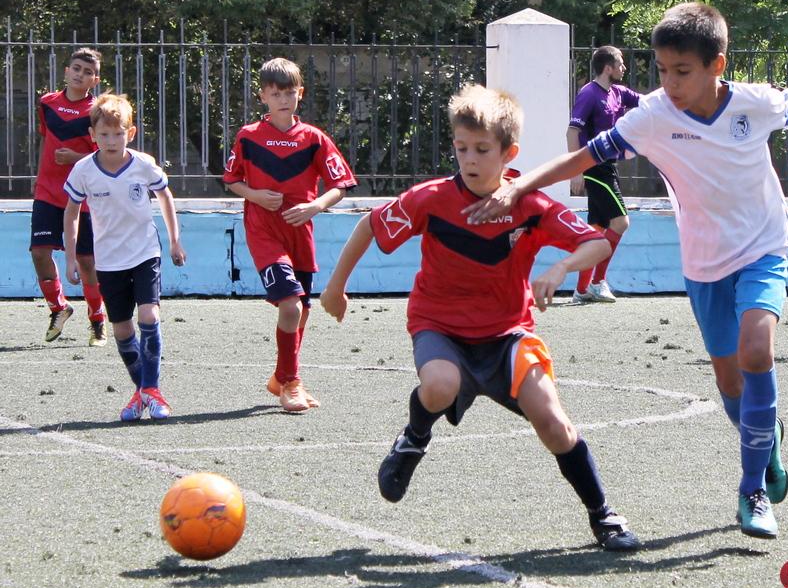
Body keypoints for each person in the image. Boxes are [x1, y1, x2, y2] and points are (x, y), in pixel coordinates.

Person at [463, 2, 788, 539]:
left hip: (764, 247)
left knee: (756, 350)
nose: (669, 82)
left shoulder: (755, 103)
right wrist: (518, 186)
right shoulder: (652, 116)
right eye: (661, 70)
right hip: (703, 263)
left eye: (683, 71)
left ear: (716, 65)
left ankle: (752, 491)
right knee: (729, 380)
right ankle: (768, 442)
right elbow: (583, 158)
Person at [319, 84, 640, 552]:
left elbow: (597, 241)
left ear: (509, 152)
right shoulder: (431, 198)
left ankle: (604, 515)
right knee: (439, 386)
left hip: (509, 333)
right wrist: (334, 286)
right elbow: (370, 224)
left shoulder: (530, 205)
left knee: (554, 423)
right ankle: (413, 439)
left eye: (482, 150)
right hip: (440, 326)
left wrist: (561, 267)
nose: (469, 159)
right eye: (461, 148)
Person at [223, 57, 357, 413]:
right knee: (290, 305)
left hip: (301, 231)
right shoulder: (249, 137)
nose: (283, 98)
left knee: (302, 309)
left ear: (301, 93)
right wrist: (254, 195)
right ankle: (292, 383)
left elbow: (340, 185)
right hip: (264, 231)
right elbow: (232, 179)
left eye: (289, 92)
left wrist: (315, 206)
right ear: (264, 96)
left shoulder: (314, 138)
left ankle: (280, 377)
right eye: (275, 92)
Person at [63, 93, 185, 421]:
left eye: (118, 134)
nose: (111, 140)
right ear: (93, 135)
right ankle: (141, 390)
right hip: (108, 261)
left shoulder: (143, 164)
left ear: (130, 133)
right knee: (120, 329)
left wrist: (174, 240)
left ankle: (154, 389)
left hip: (145, 253)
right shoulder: (83, 170)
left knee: (148, 314)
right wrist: (71, 257)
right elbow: (72, 212)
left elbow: (165, 195)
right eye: (104, 134)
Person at [30, 48, 107, 346]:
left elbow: (105, 153)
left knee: (86, 262)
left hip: (83, 196)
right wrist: (39, 177)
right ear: (66, 71)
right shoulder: (47, 103)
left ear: (95, 79)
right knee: (39, 252)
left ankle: (97, 319)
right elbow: (47, 142)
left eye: (88, 72)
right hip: (48, 192)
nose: (80, 74)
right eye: (76, 68)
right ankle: (59, 308)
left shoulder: (97, 111)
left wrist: (75, 156)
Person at [567, 46, 642, 303]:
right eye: (620, 63)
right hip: (594, 166)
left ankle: (581, 289)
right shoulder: (589, 94)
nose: (624, 68)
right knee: (621, 223)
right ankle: (598, 282)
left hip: (609, 166)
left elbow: (647, 102)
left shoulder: (618, 92)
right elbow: (572, 132)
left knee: (596, 229)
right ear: (608, 67)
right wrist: (575, 169)